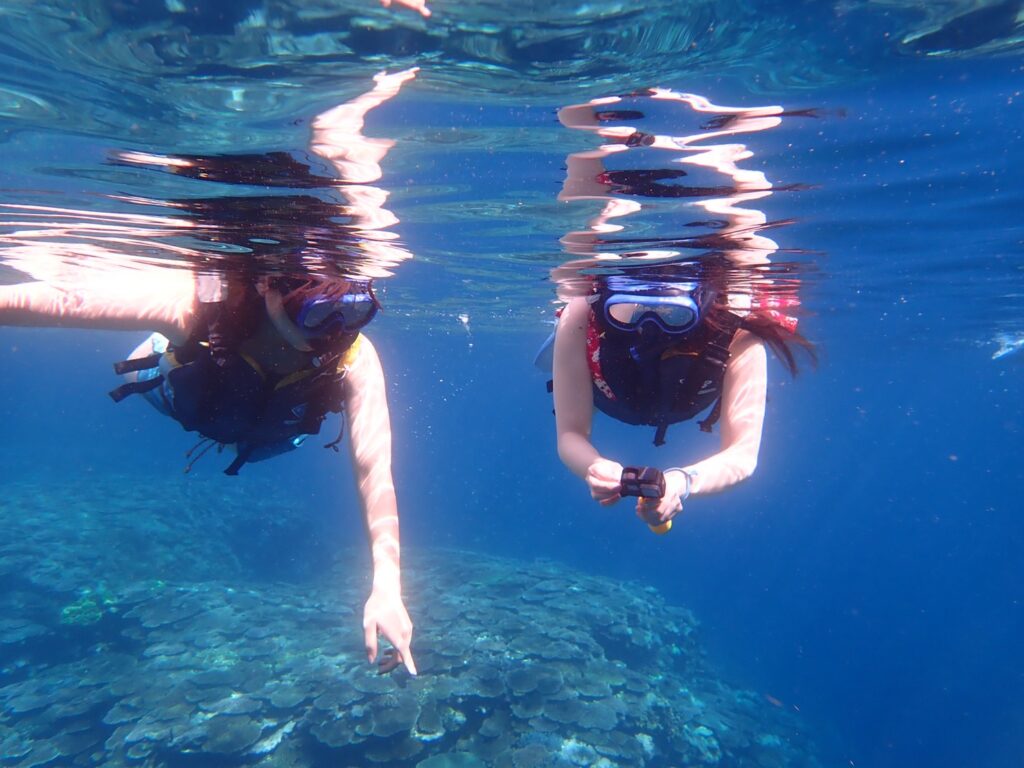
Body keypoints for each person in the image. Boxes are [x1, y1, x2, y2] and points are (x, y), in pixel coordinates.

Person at [0, 70, 419, 675]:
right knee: (158, 353)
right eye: (318, 309)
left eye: (356, 311)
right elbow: (57, 302)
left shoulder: (352, 355)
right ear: (270, 288)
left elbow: (375, 470)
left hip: (267, 430)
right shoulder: (198, 307)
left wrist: (388, 586)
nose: (334, 328)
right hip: (186, 393)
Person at [548, 89, 814, 532]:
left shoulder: (736, 326)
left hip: (633, 393)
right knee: (587, 214)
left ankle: (718, 144)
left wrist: (681, 482)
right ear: (605, 298)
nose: (650, 327)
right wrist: (593, 467)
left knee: (592, 209)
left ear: (704, 304)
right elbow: (571, 436)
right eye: (629, 310)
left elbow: (744, 455)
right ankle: (591, 112)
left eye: (672, 313)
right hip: (607, 388)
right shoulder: (583, 313)